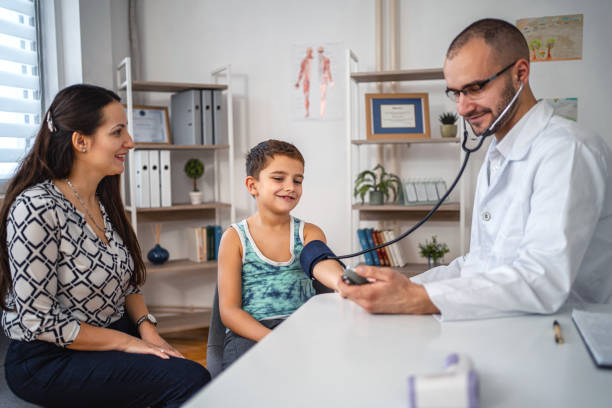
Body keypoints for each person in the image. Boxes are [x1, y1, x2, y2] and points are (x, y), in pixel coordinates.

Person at [338, 18, 612, 320]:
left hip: (561, 337)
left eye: (475, 88)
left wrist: (418, 298)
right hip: (508, 329)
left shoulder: (567, 151)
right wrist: (404, 286)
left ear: (520, 73)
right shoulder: (496, 155)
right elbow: (479, 266)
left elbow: (541, 279)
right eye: (455, 93)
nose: (462, 108)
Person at [0, 84, 210, 407]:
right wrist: (127, 343)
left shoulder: (102, 199)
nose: (131, 142)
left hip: (111, 333)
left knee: (190, 375)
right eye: (118, 132)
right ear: (80, 141)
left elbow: (126, 281)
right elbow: (37, 321)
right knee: (191, 381)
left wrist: (146, 328)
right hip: (50, 357)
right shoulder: (37, 208)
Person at [217, 139, 342, 369]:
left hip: (301, 331)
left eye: (298, 180)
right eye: (278, 178)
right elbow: (229, 312)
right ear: (252, 185)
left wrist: (342, 282)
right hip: (251, 334)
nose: (291, 186)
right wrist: (273, 341)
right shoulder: (234, 238)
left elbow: (322, 262)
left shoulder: (309, 233)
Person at [295, 47, 313, 117]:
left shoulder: (314, 60)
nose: (309, 53)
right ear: (306, 52)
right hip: (306, 81)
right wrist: (298, 82)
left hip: (314, 81)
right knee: (306, 97)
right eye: (308, 52)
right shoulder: (304, 61)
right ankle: (307, 112)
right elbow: (301, 72)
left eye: (310, 51)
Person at [317, 46, 334, 118]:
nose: (320, 53)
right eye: (319, 51)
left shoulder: (326, 60)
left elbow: (328, 70)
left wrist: (331, 81)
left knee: (323, 96)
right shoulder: (313, 60)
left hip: (323, 79)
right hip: (316, 79)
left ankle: (322, 113)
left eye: (321, 51)